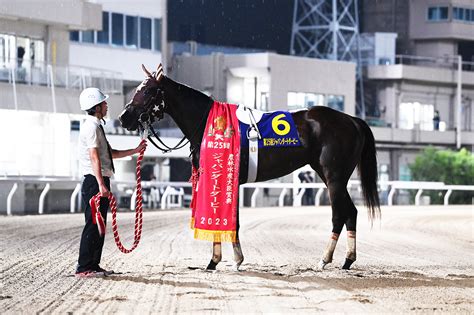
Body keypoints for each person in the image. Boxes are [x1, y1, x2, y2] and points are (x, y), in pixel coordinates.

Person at [76, 87, 146, 278]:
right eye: (104, 103)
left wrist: (135, 150)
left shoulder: (96, 126)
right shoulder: (90, 127)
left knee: (100, 225)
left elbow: (109, 154)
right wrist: (101, 184)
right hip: (94, 181)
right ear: (96, 107)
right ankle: (84, 268)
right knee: (92, 224)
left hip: (99, 179)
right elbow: (94, 158)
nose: (107, 105)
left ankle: (93, 265)